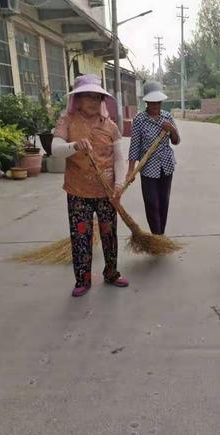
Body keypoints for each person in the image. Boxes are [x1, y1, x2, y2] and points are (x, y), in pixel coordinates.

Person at [52, 74, 129, 297]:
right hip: (78, 191)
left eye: (98, 97)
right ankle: (82, 279)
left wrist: (119, 184)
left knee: (109, 233)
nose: (94, 102)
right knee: (80, 236)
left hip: (106, 191)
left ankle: (111, 272)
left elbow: (118, 158)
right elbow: (55, 149)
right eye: (88, 97)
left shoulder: (111, 126)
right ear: (77, 99)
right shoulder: (66, 122)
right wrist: (74, 146)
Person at [127, 81, 180, 235]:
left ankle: (160, 234)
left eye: (158, 102)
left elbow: (176, 141)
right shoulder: (139, 119)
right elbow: (134, 146)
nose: (156, 106)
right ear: (146, 102)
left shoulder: (167, 117)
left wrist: (172, 130)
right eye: (152, 103)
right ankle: (156, 234)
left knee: (164, 202)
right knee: (151, 203)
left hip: (166, 166)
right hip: (148, 167)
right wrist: (130, 171)